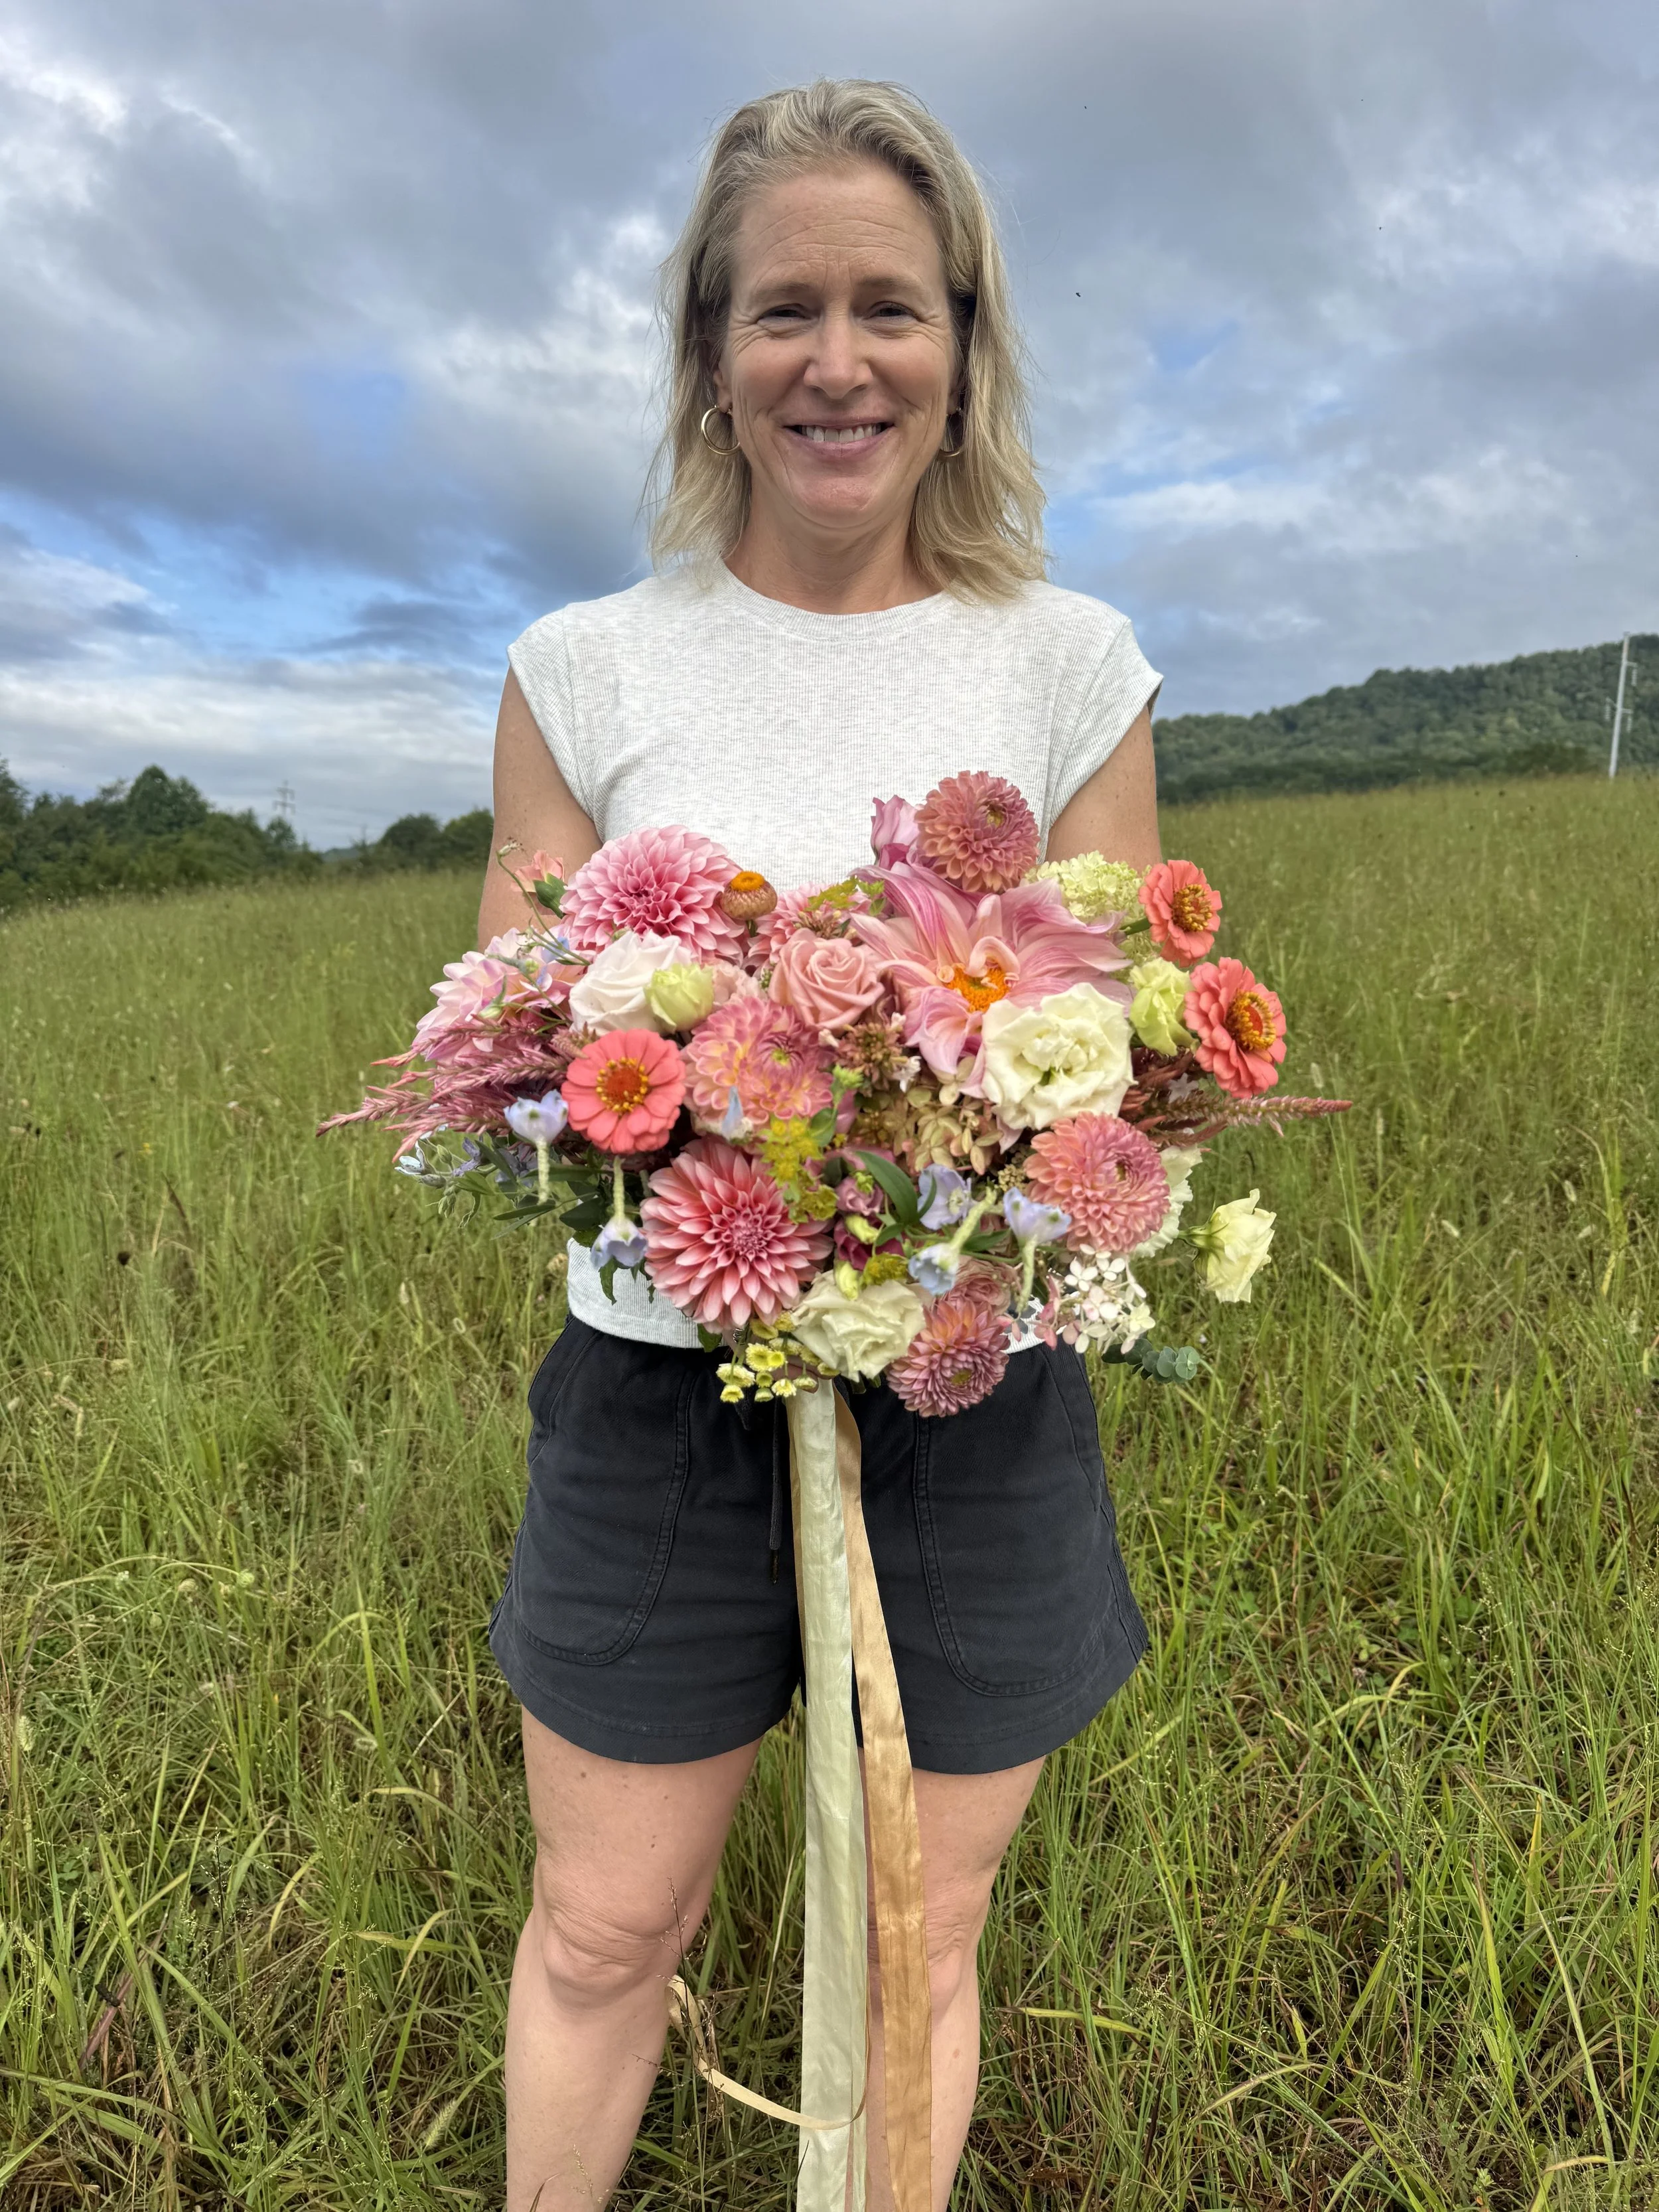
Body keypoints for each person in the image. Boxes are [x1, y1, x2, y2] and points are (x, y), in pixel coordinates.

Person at [478, 78, 1163, 2212]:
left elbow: (1121, 1032)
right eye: (783, 310)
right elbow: (514, 1038)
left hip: (976, 1386)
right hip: (662, 1381)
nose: (836, 361)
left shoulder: (1068, 666)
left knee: (916, 1935)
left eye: (890, 306)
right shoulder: (581, 666)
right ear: (708, 352)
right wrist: (688, 1073)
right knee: (606, 1927)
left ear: (964, 346)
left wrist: (965, 1111)